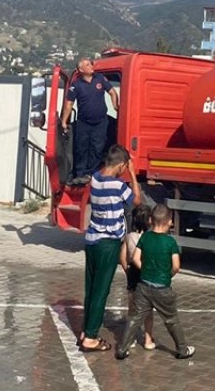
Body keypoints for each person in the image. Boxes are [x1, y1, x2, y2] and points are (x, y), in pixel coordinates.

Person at [78, 145, 141, 353]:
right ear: (122, 165)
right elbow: (137, 201)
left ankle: (86, 330)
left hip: (92, 240)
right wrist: (132, 174)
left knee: (91, 288)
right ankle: (91, 337)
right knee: (101, 291)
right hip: (108, 243)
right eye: (125, 166)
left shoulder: (95, 178)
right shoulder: (118, 185)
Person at [115, 204, 194, 360]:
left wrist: (145, 270)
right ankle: (182, 349)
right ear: (169, 222)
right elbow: (176, 266)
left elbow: (136, 259)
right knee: (171, 319)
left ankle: (122, 349)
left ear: (151, 220)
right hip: (162, 287)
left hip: (144, 286)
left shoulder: (145, 237)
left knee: (135, 318)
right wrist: (166, 275)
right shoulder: (170, 242)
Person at [59, 58, 120, 183]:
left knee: (97, 148)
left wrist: (116, 106)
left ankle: (90, 174)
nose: (91, 66)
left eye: (90, 63)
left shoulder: (100, 79)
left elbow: (113, 92)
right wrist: (64, 122)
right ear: (81, 70)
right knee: (81, 148)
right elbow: (69, 104)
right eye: (87, 65)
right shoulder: (76, 85)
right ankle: (79, 174)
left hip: (101, 122)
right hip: (83, 123)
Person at [120, 203, 155, 352]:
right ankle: (148, 340)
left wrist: (127, 270)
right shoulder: (151, 238)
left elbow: (122, 258)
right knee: (148, 311)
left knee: (132, 310)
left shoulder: (129, 237)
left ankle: (131, 339)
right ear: (150, 220)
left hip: (133, 275)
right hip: (147, 277)